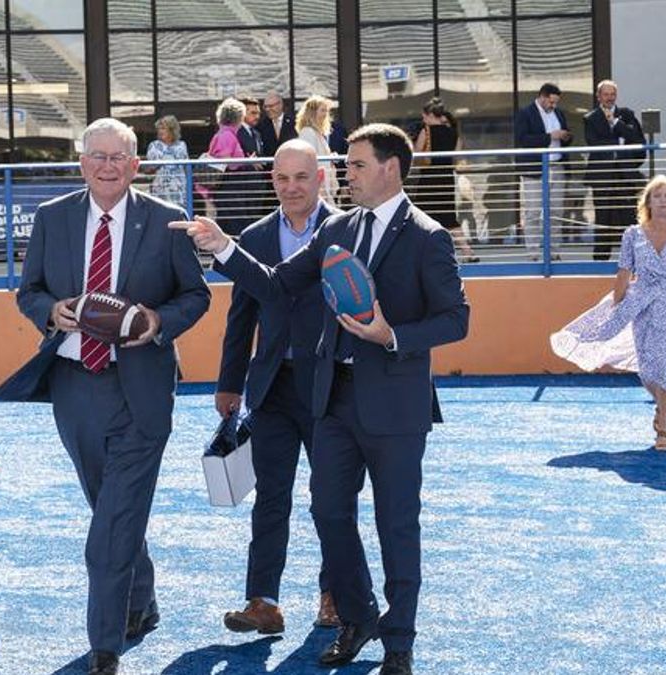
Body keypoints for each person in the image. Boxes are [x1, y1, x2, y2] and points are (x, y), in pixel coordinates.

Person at [171, 123, 470, 675]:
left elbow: (456, 319)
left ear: (390, 168)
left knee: (395, 523)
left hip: (396, 408)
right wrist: (223, 248)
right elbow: (277, 282)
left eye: (356, 165)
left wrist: (392, 336)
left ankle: (398, 642)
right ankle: (358, 617)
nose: (347, 175)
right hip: (333, 399)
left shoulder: (428, 236)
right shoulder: (338, 232)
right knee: (328, 512)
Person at [0, 118, 211, 675]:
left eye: (118, 157)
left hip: (141, 389)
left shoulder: (167, 224)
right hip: (73, 388)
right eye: (97, 156)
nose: (107, 166)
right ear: (82, 161)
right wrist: (50, 311)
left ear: (137, 165)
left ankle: (105, 646)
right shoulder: (52, 217)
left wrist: (159, 320)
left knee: (110, 526)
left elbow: (197, 296)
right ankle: (141, 597)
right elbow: (29, 291)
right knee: (108, 507)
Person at [216, 140, 340, 636]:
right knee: (271, 497)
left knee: (332, 498)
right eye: (282, 178)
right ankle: (262, 601)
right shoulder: (253, 236)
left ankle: (336, 596)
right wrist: (230, 383)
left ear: (320, 179)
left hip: (331, 386)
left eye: (301, 178)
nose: (292, 187)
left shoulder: (345, 231)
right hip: (270, 388)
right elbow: (240, 317)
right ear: (273, 181)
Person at [550, 175, 666, 451]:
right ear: (648, 201)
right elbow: (624, 272)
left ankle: (664, 427)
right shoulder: (632, 234)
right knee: (648, 368)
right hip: (642, 302)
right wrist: (616, 306)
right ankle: (661, 407)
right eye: (657, 195)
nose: (662, 200)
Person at [583, 80, 646, 261]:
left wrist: (617, 123)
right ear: (598, 96)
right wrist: (619, 142)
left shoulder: (627, 115)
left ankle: (634, 259)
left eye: (612, 94)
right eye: (606, 94)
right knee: (603, 218)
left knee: (629, 217)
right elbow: (593, 143)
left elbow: (636, 139)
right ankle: (600, 262)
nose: (610, 98)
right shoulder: (590, 118)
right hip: (602, 177)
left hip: (624, 175)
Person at [515, 83, 572, 259]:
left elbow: (565, 137)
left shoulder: (559, 113)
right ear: (542, 96)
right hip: (535, 169)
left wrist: (566, 136)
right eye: (551, 102)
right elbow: (522, 139)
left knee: (556, 211)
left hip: (557, 166)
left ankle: (554, 252)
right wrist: (550, 137)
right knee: (532, 211)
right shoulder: (525, 113)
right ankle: (533, 252)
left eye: (555, 102)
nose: (553, 106)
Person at [410, 96, 460, 231]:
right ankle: (466, 249)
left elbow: (417, 152)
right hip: (447, 177)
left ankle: (421, 248)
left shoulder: (426, 131)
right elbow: (456, 154)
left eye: (424, 116)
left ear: (431, 115)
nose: (423, 120)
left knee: (421, 214)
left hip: (429, 178)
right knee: (449, 216)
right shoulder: (452, 132)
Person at [207, 97, 252, 234]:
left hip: (228, 187)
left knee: (229, 221)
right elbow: (227, 163)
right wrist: (247, 161)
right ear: (238, 118)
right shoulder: (227, 135)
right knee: (234, 223)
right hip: (229, 186)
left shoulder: (223, 133)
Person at [296, 95, 339, 202]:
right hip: (318, 187)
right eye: (322, 110)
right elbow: (308, 161)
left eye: (326, 111)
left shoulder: (317, 133)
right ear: (312, 112)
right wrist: (319, 188)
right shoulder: (308, 132)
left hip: (324, 185)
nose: (326, 114)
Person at [145, 115, 189, 208]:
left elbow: (186, 167)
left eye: (163, 128)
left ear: (172, 130)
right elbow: (148, 169)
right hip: (161, 187)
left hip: (179, 188)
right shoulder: (154, 146)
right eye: (159, 129)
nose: (160, 131)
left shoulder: (182, 145)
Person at [257, 92, 298, 157]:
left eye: (271, 106)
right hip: (270, 164)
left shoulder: (294, 122)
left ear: (280, 105)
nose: (268, 109)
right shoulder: (261, 125)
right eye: (265, 107)